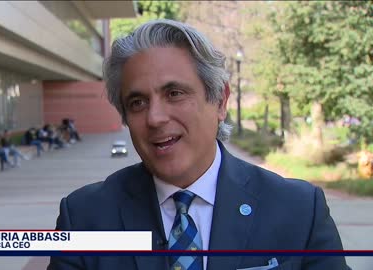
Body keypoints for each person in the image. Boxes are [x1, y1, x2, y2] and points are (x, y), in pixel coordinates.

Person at [48, 20, 349, 270]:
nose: (155, 117)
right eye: (137, 102)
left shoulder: (298, 209)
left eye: (175, 93)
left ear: (220, 101)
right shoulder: (85, 218)